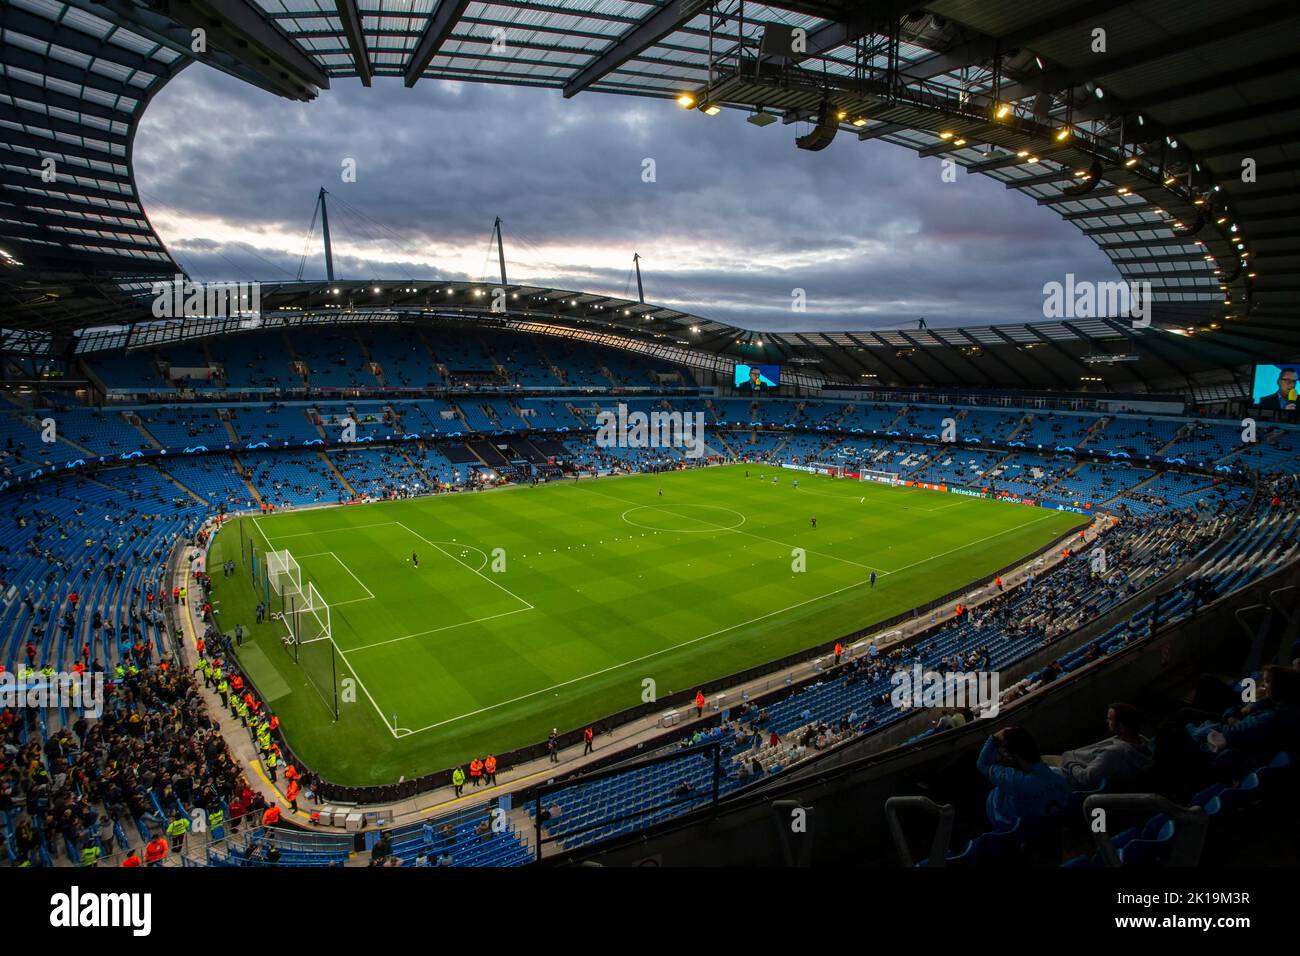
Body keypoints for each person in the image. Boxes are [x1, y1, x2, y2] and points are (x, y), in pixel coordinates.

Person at [976, 726, 1071, 831]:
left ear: (1011, 756)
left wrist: (995, 737)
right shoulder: (1060, 778)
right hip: (1040, 828)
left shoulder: (1013, 780)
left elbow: (982, 764)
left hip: (1003, 821)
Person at [1050, 703, 1153, 790]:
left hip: (1069, 778)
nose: (1107, 722)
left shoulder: (1114, 753)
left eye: (1110, 720)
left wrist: (1071, 763)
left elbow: (1087, 778)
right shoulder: (1141, 741)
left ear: (1121, 727)